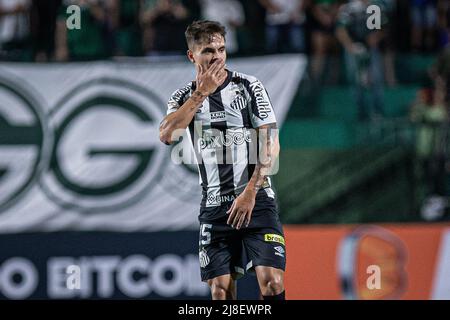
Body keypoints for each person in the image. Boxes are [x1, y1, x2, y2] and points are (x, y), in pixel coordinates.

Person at [159, 20, 286, 300]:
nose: (217, 56)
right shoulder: (184, 96)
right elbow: (168, 134)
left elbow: (270, 144)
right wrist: (201, 93)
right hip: (215, 208)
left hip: (257, 200)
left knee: (272, 283)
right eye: (208, 50)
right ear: (192, 56)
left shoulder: (249, 86)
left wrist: (250, 191)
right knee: (221, 291)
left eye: (221, 49)